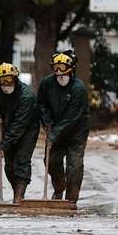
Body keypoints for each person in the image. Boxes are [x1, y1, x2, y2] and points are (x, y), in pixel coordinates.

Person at [0, 63, 39, 202]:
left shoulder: (27, 96)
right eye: (2, 81)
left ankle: (19, 197)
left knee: (21, 161)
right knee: (9, 166)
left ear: (15, 79)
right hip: (8, 127)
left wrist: (4, 144)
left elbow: (20, 124)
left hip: (27, 130)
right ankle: (16, 191)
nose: (6, 84)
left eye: (9, 80)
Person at [37, 51, 90, 202]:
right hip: (54, 129)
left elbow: (71, 118)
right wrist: (47, 122)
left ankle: (71, 199)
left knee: (74, 166)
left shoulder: (78, 88)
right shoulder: (46, 84)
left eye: (63, 70)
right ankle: (59, 188)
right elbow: (41, 104)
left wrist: (53, 135)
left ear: (71, 70)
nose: (60, 74)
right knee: (51, 160)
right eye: (56, 69)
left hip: (76, 133)